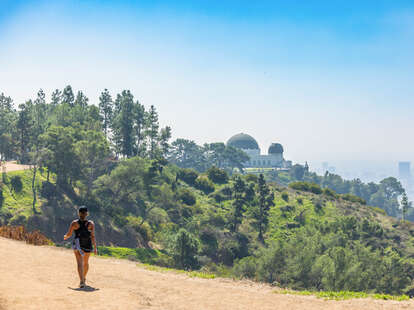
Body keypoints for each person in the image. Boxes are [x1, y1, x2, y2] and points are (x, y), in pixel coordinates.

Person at [64, 206, 97, 288]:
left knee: (79, 263)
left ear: (78, 213)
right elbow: (93, 236)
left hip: (77, 244)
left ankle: (82, 281)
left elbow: (69, 234)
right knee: (85, 263)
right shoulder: (91, 224)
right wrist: (95, 247)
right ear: (87, 214)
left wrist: (65, 236)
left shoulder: (74, 223)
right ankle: (83, 278)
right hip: (87, 245)